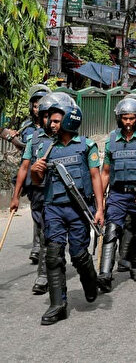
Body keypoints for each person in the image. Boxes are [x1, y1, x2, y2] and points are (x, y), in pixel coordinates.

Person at [29, 100, 104, 325]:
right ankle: (58, 305)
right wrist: (34, 171)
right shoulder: (46, 148)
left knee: (79, 254)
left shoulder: (86, 146)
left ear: (69, 121)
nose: (51, 124)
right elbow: (37, 181)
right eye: (50, 121)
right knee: (53, 255)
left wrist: (100, 209)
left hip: (79, 209)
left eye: (56, 121)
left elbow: (95, 177)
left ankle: (90, 281)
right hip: (53, 208)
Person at [97, 98, 136, 293]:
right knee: (111, 230)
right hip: (117, 194)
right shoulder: (111, 141)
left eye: (131, 118)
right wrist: (100, 200)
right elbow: (105, 173)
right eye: (124, 118)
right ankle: (105, 273)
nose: (128, 122)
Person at [9, 86, 53, 293]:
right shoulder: (28, 128)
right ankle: (43, 272)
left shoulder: (64, 134)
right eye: (36, 107)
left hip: (56, 188)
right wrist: (15, 196)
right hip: (33, 180)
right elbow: (24, 158)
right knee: (41, 221)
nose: (38, 111)